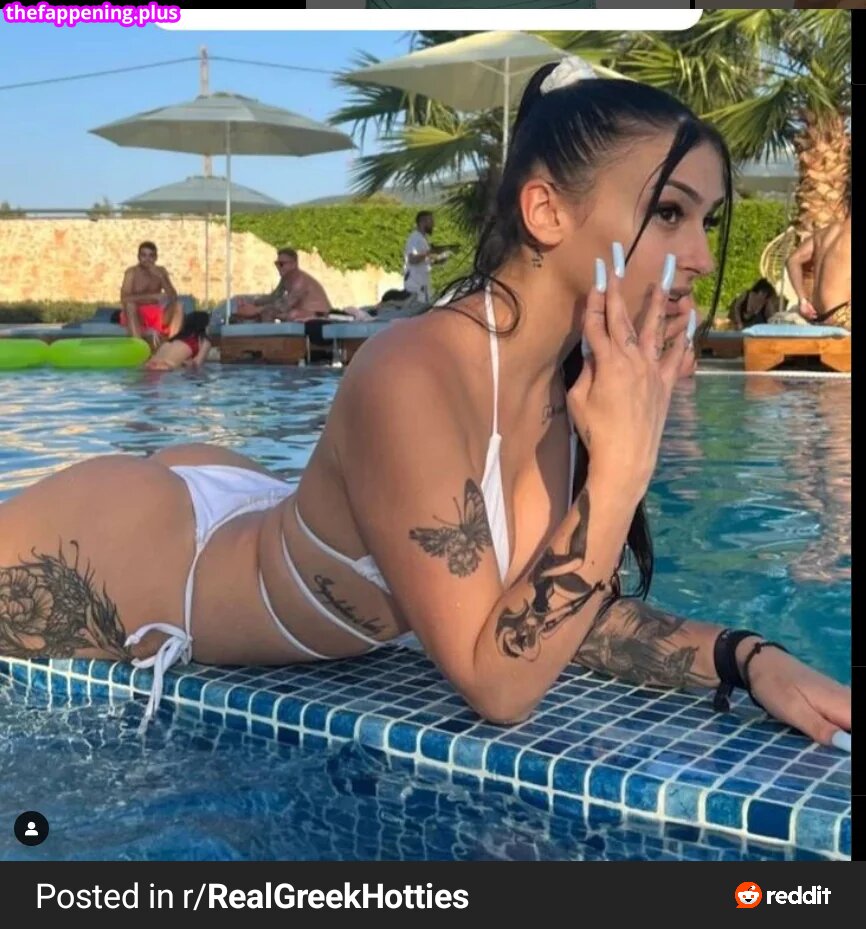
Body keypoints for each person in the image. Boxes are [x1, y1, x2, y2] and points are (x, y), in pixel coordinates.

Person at [0, 60, 850, 748]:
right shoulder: (414, 371)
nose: (700, 256)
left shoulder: (565, 386)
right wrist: (623, 471)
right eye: (669, 213)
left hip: (244, 516)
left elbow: (555, 606)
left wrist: (747, 658)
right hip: (133, 553)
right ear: (546, 211)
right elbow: (498, 683)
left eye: (708, 222)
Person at [786, 198, 851, 330]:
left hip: (818, 315)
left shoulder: (823, 234)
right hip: (841, 315)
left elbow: (793, 260)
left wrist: (803, 300)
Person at [233, 249, 332, 322]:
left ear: (294, 264)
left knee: (290, 314)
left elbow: (285, 305)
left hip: (319, 315)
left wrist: (256, 310)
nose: (278, 267)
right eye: (277, 264)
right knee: (268, 312)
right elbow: (274, 297)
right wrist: (252, 302)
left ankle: (276, 340)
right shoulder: (286, 279)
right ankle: (266, 339)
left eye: (281, 264)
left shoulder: (300, 282)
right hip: (302, 312)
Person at [119, 241, 183, 348]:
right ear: (138, 257)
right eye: (143, 255)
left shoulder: (161, 271)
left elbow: (173, 297)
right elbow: (124, 299)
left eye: (151, 256)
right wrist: (151, 296)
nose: (147, 259)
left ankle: (170, 346)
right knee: (130, 305)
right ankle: (139, 347)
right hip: (136, 314)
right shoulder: (131, 272)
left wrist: (161, 277)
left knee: (178, 306)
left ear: (156, 257)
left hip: (156, 314)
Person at [403, 211, 452, 304]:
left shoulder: (422, 238)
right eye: (431, 221)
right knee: (422, 310)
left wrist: (438, 260)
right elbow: (412, 259)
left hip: (423, 283)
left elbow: (424, 260)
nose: (433, 224)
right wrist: (429, 252)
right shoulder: (415, 238)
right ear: (423, 222)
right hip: (417, 286)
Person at [144, 311, 212, 371]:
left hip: (148, 367)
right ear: (204, 325)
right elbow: (196, 364)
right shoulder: (204, 341)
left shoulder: (174, 339)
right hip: (166, 369)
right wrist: (188, 363)